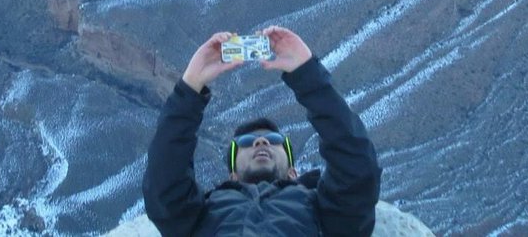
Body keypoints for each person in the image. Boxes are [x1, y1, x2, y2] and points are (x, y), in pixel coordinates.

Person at [142, 26, 382, 236]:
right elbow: (164, 179)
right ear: (232, 176)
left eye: (274, 140)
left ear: (293, 172)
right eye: (246, 142)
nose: (260, 143)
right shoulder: (200, 213)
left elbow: (357, 168)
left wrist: (307, 74)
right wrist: (191, 85)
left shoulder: (323, 211)